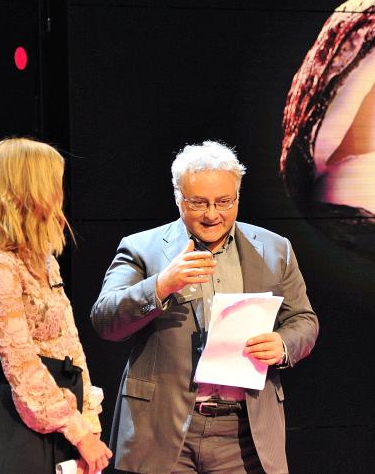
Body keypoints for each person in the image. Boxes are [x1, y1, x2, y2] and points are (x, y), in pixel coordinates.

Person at [91, 140, 318, 474]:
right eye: (198, 203)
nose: (212, 215)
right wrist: (161, 285)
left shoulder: (275, 249)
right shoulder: (141, 248)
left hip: (244, 433)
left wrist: (283, 345)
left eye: (224, 202)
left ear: (238, 196)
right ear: (178, 198)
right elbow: (105, 320)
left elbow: (303, 320)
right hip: (162, 430)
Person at [0, 137, 113, 474]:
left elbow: (69, 342)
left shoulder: (42, 259)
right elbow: (21, 362)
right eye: (53, 184)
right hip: (20, 421)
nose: (60, 195)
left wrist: (88, 419)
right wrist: (78, 432)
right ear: (29, 192)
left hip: (64, 417)